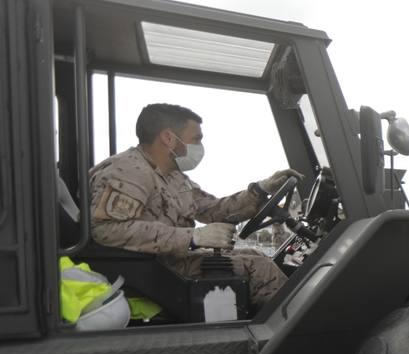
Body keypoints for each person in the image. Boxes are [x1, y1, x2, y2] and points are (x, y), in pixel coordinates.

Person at [89, 102, 299, 310]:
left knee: (257, 255)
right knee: (261, 270)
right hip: (151, 274)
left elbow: (212, 210)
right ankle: (297, 332)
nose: (200, 147)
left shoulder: (175, 177)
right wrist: (193, 237)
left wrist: (260, 190)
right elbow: (106, 229)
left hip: (170, 264)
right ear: (169, 138)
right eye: (196, 139)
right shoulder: (129, 171)